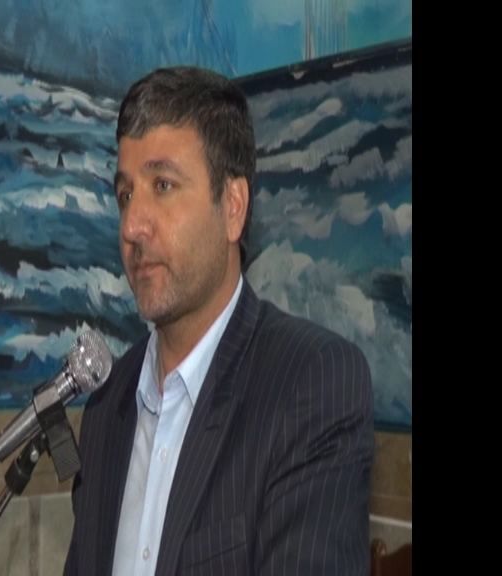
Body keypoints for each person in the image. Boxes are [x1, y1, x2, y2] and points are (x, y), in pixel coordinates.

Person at [63, 66, 375, 576]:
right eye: (125, 194)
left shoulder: (311, 384)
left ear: (233, 207)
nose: (133, 225)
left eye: (163, 185)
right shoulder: (105, 406)